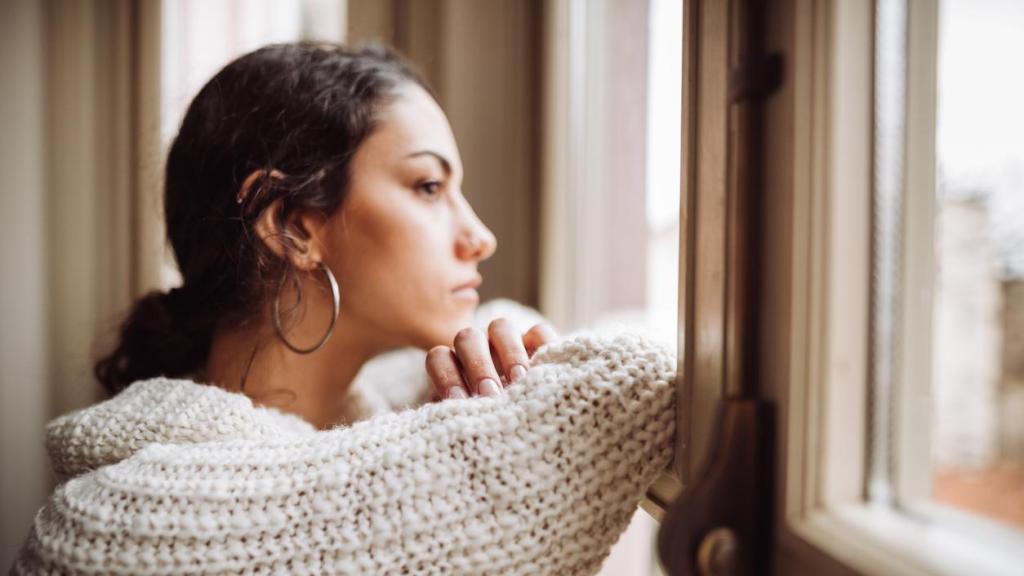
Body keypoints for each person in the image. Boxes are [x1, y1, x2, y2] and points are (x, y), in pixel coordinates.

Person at [12, 43, 676, 575]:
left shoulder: (387, 433)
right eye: (427, 186)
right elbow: (633, 379)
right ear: (294, 227)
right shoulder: (123, 526)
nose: (480, 235)